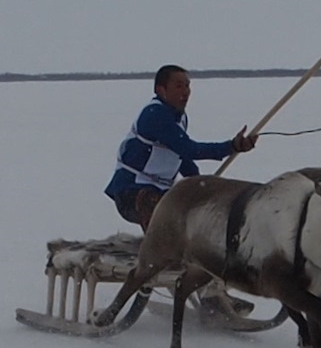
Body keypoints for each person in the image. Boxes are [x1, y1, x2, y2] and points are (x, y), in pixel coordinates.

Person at [105, 65, 257, 229]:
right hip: (132, 193)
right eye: (179, 86)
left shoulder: (179, 117)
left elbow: (181, 156)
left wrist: (200, 184)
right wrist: (232, 146)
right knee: (167, 216)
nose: (185, 92)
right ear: (161, 90)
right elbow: (189, 149)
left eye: (187, 86)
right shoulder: (155, 115)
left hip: (161, 192)